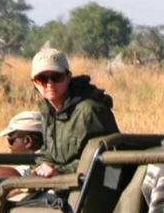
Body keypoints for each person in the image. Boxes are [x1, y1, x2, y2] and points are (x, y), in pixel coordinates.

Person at [29, 47, 118, 177]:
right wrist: (43, 165)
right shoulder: (49, 111)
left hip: (88, 186)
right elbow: (50, 152)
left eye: (56, 77)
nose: (50, 84)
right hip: (62, 182)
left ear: (68, 77)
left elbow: (105, 156)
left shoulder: (89, 111)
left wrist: (59, 171)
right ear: (34, 83)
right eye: (42, 79)